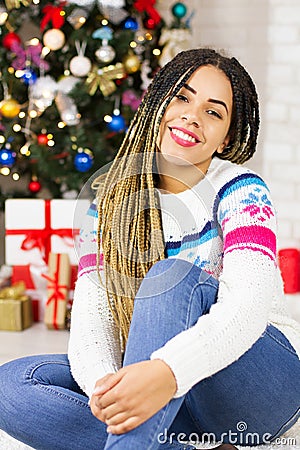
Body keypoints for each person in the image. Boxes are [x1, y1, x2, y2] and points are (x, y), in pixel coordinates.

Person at [0, 48, 299, 450]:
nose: (192, 116)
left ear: (226, 136)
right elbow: (94, 322)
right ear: (158, 104)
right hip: (170, 394)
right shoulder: (104, 210)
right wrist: (110, 390)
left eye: (214, 112)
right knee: (13, 386)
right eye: (182, 97)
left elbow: (247, 307)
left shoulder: (241, 189)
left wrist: (167, 371)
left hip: (256, 383)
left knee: (167, 279)